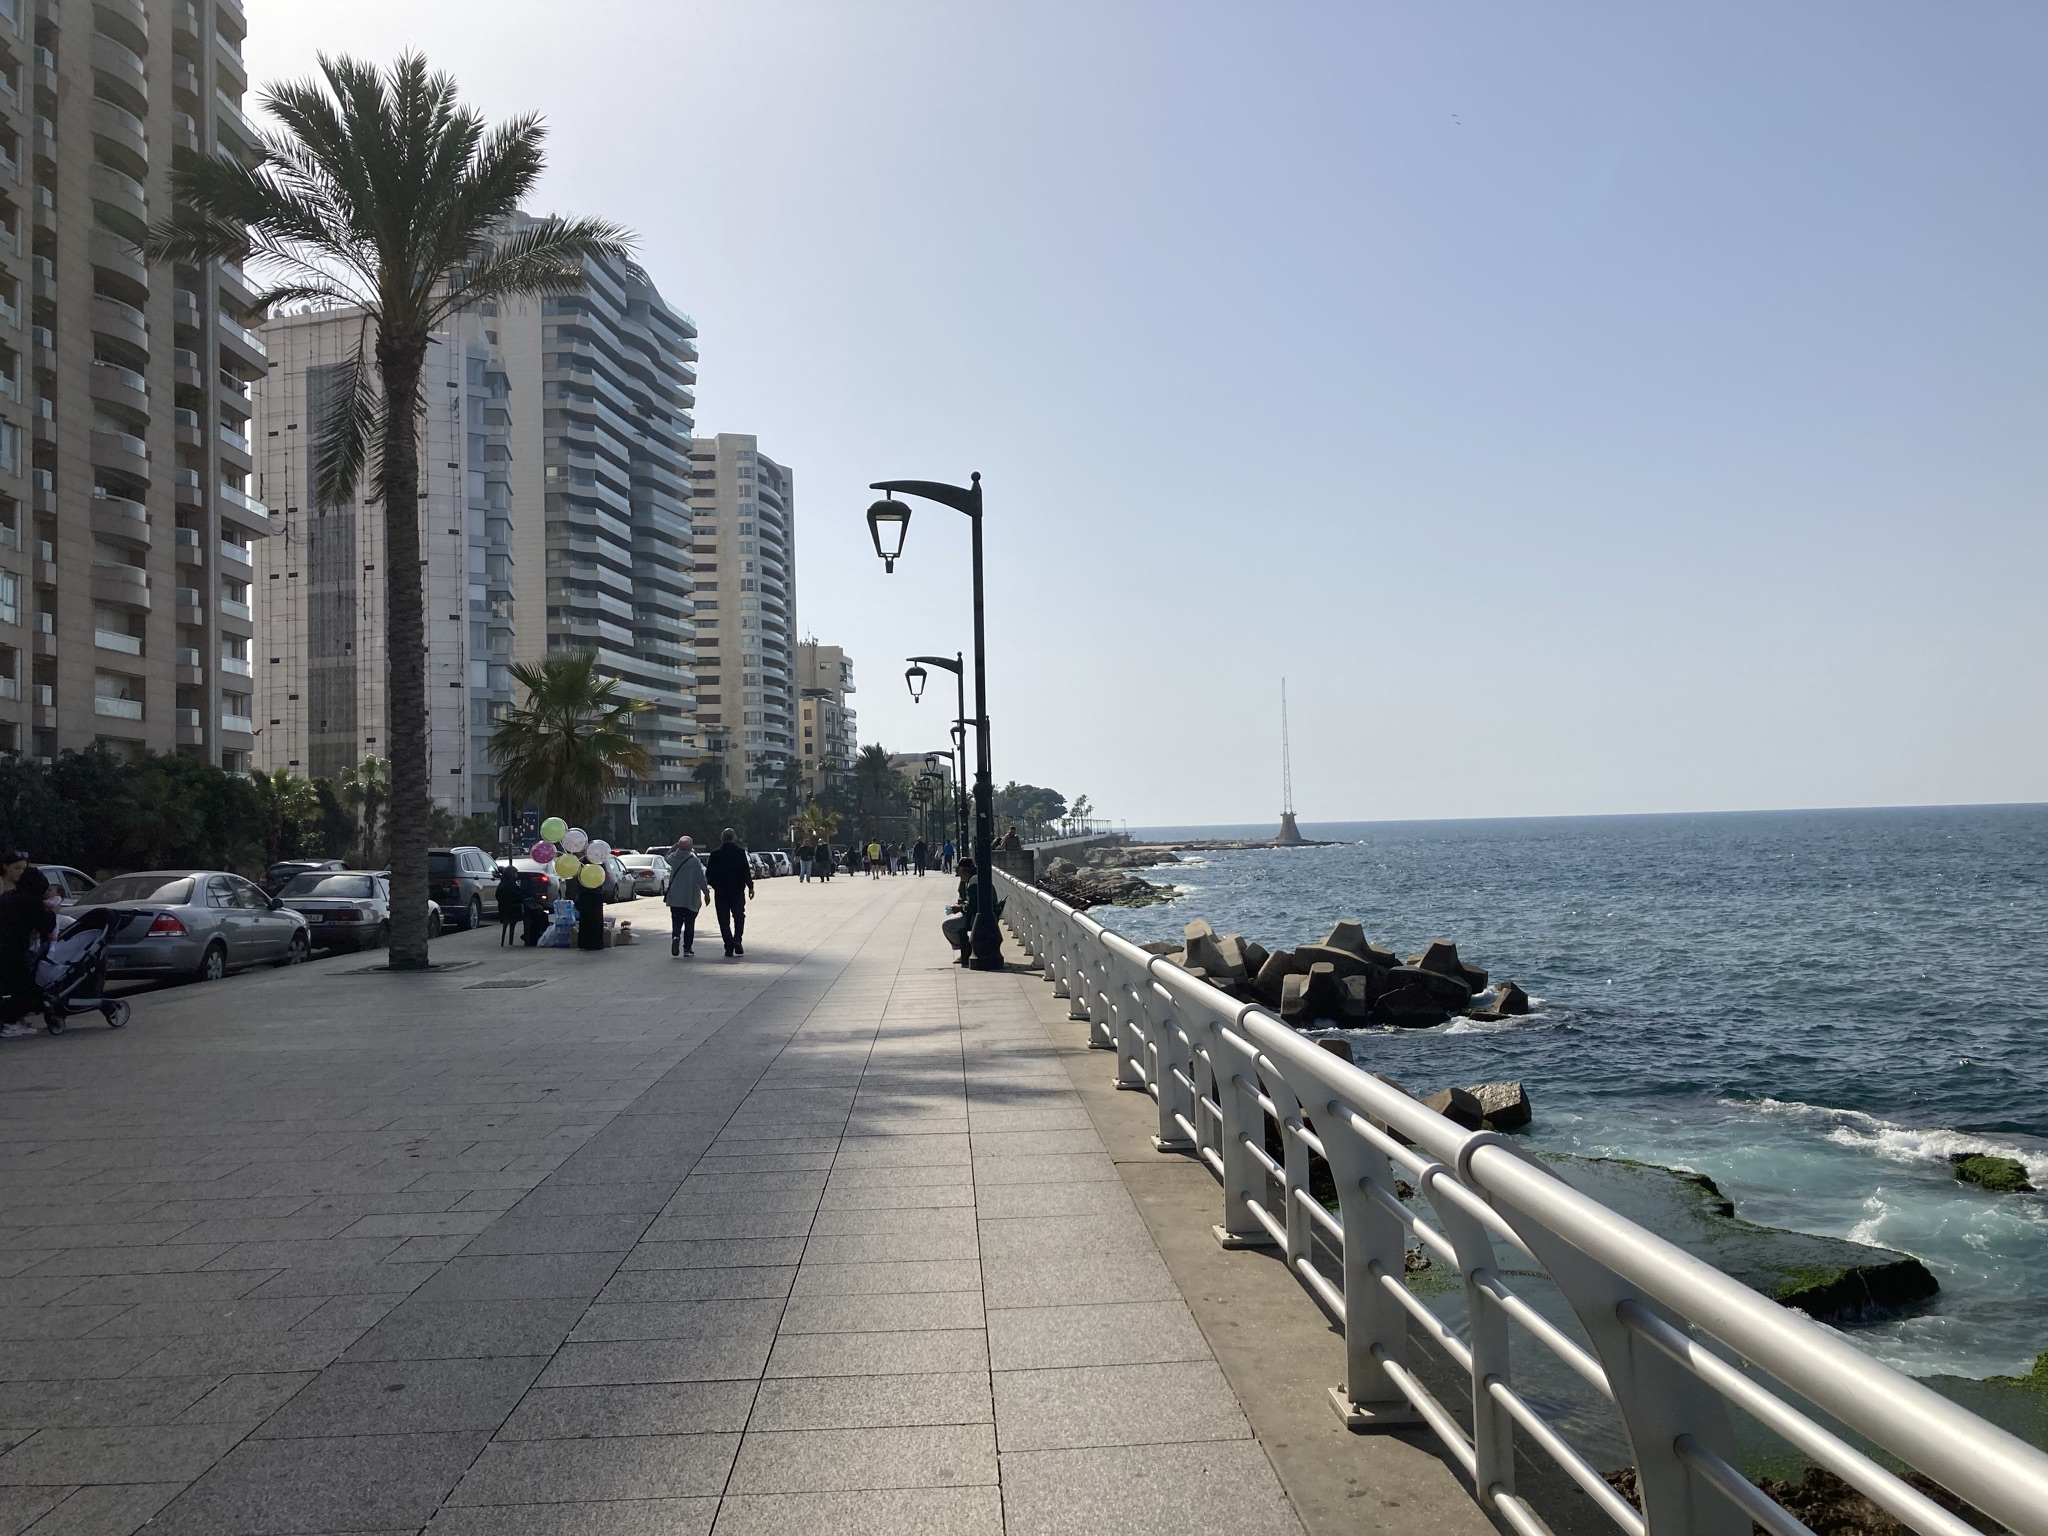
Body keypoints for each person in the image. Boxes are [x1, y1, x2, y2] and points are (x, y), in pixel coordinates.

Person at [0, 860, 55, 1037]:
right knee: (24, 988)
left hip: (5, 947)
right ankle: (9, 1023)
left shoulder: (8, 897)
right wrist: (52, 912)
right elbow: (46, 926)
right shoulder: (32, 902)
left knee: (10, 986)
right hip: (12, 949)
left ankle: (14, 1019)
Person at [704, 827, 755, 957]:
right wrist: (750, 886)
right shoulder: (740, 853)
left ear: (722, 838)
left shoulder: (715, 854)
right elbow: (746, 871)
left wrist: (715, 885)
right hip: (737, 890)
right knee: (739, 916)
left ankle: (728, 945)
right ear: (734, 838)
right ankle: (737, 939)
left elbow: (709, 874)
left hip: (721, 891)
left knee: (723, 919)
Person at [665, 835, 708, 956]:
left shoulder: (673, 858)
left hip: (675, 897)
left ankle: (676, 936)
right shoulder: (694, 861)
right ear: (691, 847)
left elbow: (666, 856)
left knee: (676, 920)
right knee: (690, 923)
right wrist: (706, 892)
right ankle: (687, 949)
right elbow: (700, 879)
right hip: (691, 897)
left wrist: (674, 847)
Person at [573, 871, 606, 951]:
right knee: (595, 920)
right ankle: (596, 943)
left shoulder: (583, 868)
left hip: (586, 895)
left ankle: (585, 943)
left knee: (585, 920)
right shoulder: (598, 867)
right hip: (595, 895)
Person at [494, 863, 525, 947]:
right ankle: (531, 934)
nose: (517, 875)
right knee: (536, 913)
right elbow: (520, 896)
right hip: (512, 912)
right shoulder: (510, 886)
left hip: (504, 912)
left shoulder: (503, 885)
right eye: (515, 873)